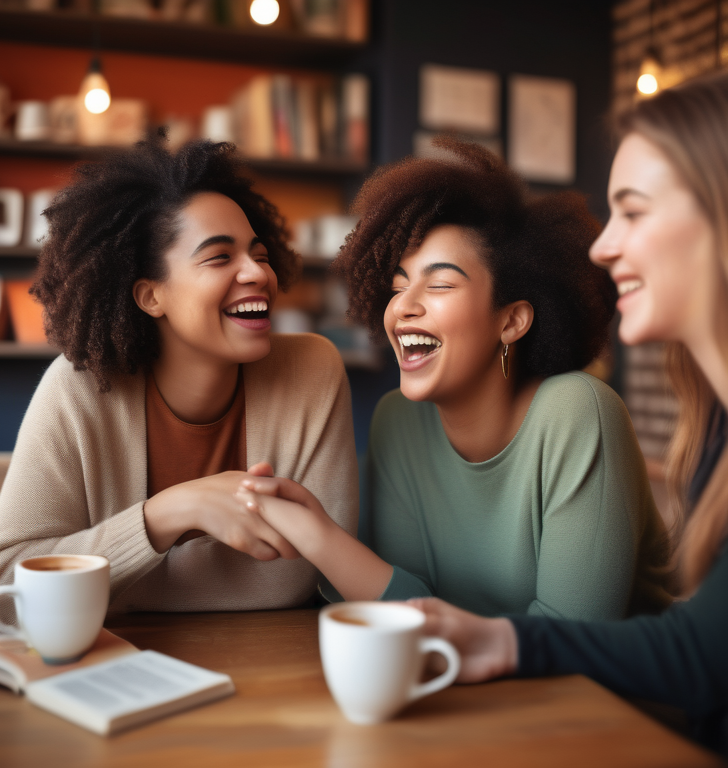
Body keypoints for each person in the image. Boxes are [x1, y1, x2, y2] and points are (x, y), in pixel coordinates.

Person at [403, 72, 728, 755]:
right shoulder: (712, 425)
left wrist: (505, 640)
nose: (603, 247)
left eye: (633, 212)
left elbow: (699, 660)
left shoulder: (581, 410)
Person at [236, 139, 672, 621]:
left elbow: (570, 640)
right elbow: (412, 613)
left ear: (511, 322)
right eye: (399, 286)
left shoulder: (579, 413)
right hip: (464, 684)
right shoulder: (396, 422)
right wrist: (318, 534)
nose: (403, 305)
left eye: (440, 284)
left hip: (613, 696)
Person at [0, 138, 358, 623]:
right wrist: (166, 515)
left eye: (258, 253)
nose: (257, 272)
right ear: (151, 296)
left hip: (275, 671)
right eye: (219, 257)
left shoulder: (312, 372)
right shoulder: (79, 390)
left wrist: (116, 574)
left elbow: (323, 574)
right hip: (114, 671)